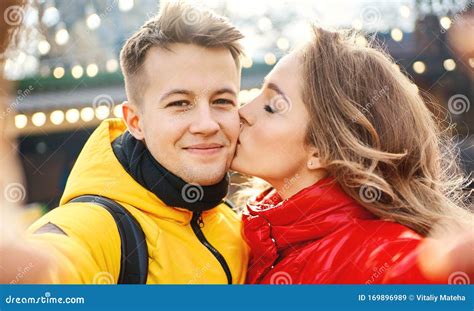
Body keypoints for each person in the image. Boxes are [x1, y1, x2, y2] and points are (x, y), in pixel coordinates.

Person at [1, 2, 248, 284]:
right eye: (179, 103)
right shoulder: (99, 227)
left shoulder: (239, 230)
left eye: (222, 101)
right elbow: (51, 262)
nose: (206, 124)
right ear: (135, 122)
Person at [231, 26, 473, 284]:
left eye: (272, 106)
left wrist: (444, 267)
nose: (242, 110)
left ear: (322, 150)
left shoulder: (375, 254)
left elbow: (407, 274)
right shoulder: (250, 236)